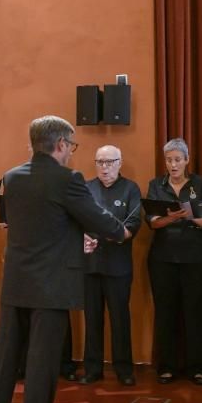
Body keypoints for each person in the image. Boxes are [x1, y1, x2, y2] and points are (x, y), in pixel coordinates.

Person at [0, 115, 125, 403]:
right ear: (60, 145)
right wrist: (114, 232)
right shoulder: (68, 179)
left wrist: (75, 235)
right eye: (72, 146)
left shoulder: (12, 178)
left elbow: (42, 225)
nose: (72, 153)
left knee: (3, 364)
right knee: (41, 368)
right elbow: (102, 223)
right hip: (51, 287)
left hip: (16, 283)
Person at [145, 137, 202, 385]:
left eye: (177, 160)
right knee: (166, 312)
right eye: (168, 160)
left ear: (186, 160)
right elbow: (153, 223)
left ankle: (198, 366)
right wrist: (172, 218)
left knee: (195, 312)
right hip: (163, 258)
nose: (173, 165)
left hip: (196, 258)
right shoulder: (156, 185)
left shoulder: (200, 184)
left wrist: (191, 215)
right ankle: (167, 366)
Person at [80, 145, 142, 386]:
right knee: (92, 319)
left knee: (120, 319)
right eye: (100, 162)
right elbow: (77, 220)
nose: (104, 168)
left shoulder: (130, 189)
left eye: (109, 162)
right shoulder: (86, 188)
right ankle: (92, 368)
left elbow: (133, 225)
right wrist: (83, 237)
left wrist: (111, 234)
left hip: (118, 266)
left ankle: (124, 369)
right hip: (90, 264)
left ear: (120, 162)